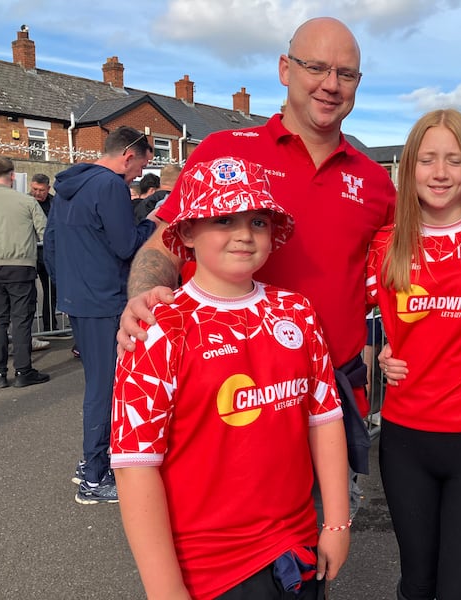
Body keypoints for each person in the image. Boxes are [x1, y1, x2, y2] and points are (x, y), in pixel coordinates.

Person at [117, 17, 396, 494]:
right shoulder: (225, 151)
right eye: (316, 67)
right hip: (226, 392)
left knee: (319, 543)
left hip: (325, 396)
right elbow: (165, 240)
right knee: (222, 541)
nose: (330, 85)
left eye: (345, 74)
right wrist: (143, 296)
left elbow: (398, 276)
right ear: (285, 69)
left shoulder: (374, 182)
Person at [111, 155, 349, 599]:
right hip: (210, 570)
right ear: (186, 231)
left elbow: (325, 418)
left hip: (296, 549)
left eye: (258, 221)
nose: (243, 234)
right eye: (223, 218)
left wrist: (335, 522)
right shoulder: (158, 326)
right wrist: (165, 590)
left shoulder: (297, 311)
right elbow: (135, 467)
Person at [370, 109, 461, 600]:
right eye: (428, 160)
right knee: (417, 583)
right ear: (408, 167)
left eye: (454, 161)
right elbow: (350, 317)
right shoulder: (385, 244)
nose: (440, 173)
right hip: (406, 438)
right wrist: (381, 352)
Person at [44, 126, 156, 504]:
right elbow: (126, 244)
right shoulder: (110, 186)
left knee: (98, 382)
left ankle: (89, 465)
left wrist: (69, 288)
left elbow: (52, 245)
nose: (141, 172)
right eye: (143, 162)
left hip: (80, 298)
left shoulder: (68, 186)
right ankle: (95, 475)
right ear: (128, 154)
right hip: (105, 299)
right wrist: (153, 223)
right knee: (105, 387)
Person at [0, 157, 49, 388]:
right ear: (13, 175)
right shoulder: (26, 201)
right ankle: (24, 371)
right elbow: (44, 231)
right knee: (22, 320)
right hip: (21, 266)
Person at [30, 173, 58, 335]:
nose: (37, 193)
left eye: (41, 190)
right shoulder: (26, 202)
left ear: (48, 189)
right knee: (29, 294)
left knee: (50, 292)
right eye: (34, 189)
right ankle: (30, 330)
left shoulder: (55, 203)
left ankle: (50, 325)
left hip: (48, 254)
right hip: (31, 253)